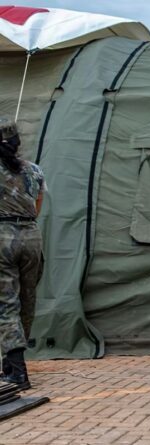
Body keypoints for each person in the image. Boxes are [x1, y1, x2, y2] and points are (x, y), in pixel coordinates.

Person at [0, 118, 45, 391]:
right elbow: (37, 206)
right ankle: (13, 360)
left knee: (6, 303)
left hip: (2, 236)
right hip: (31, 236)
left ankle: (16, 371)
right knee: (27, 301)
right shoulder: (35, 170)